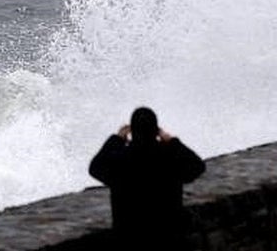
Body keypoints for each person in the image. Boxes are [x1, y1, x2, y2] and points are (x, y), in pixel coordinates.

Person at [88, 107, 206, 251]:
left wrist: (116, 139)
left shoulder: (120, 160)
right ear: (156, 131)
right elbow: (198, 166)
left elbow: (95, 168)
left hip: (130, 240)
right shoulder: (169, 158)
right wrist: (172, 141)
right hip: (167, 239)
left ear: (131, 131)